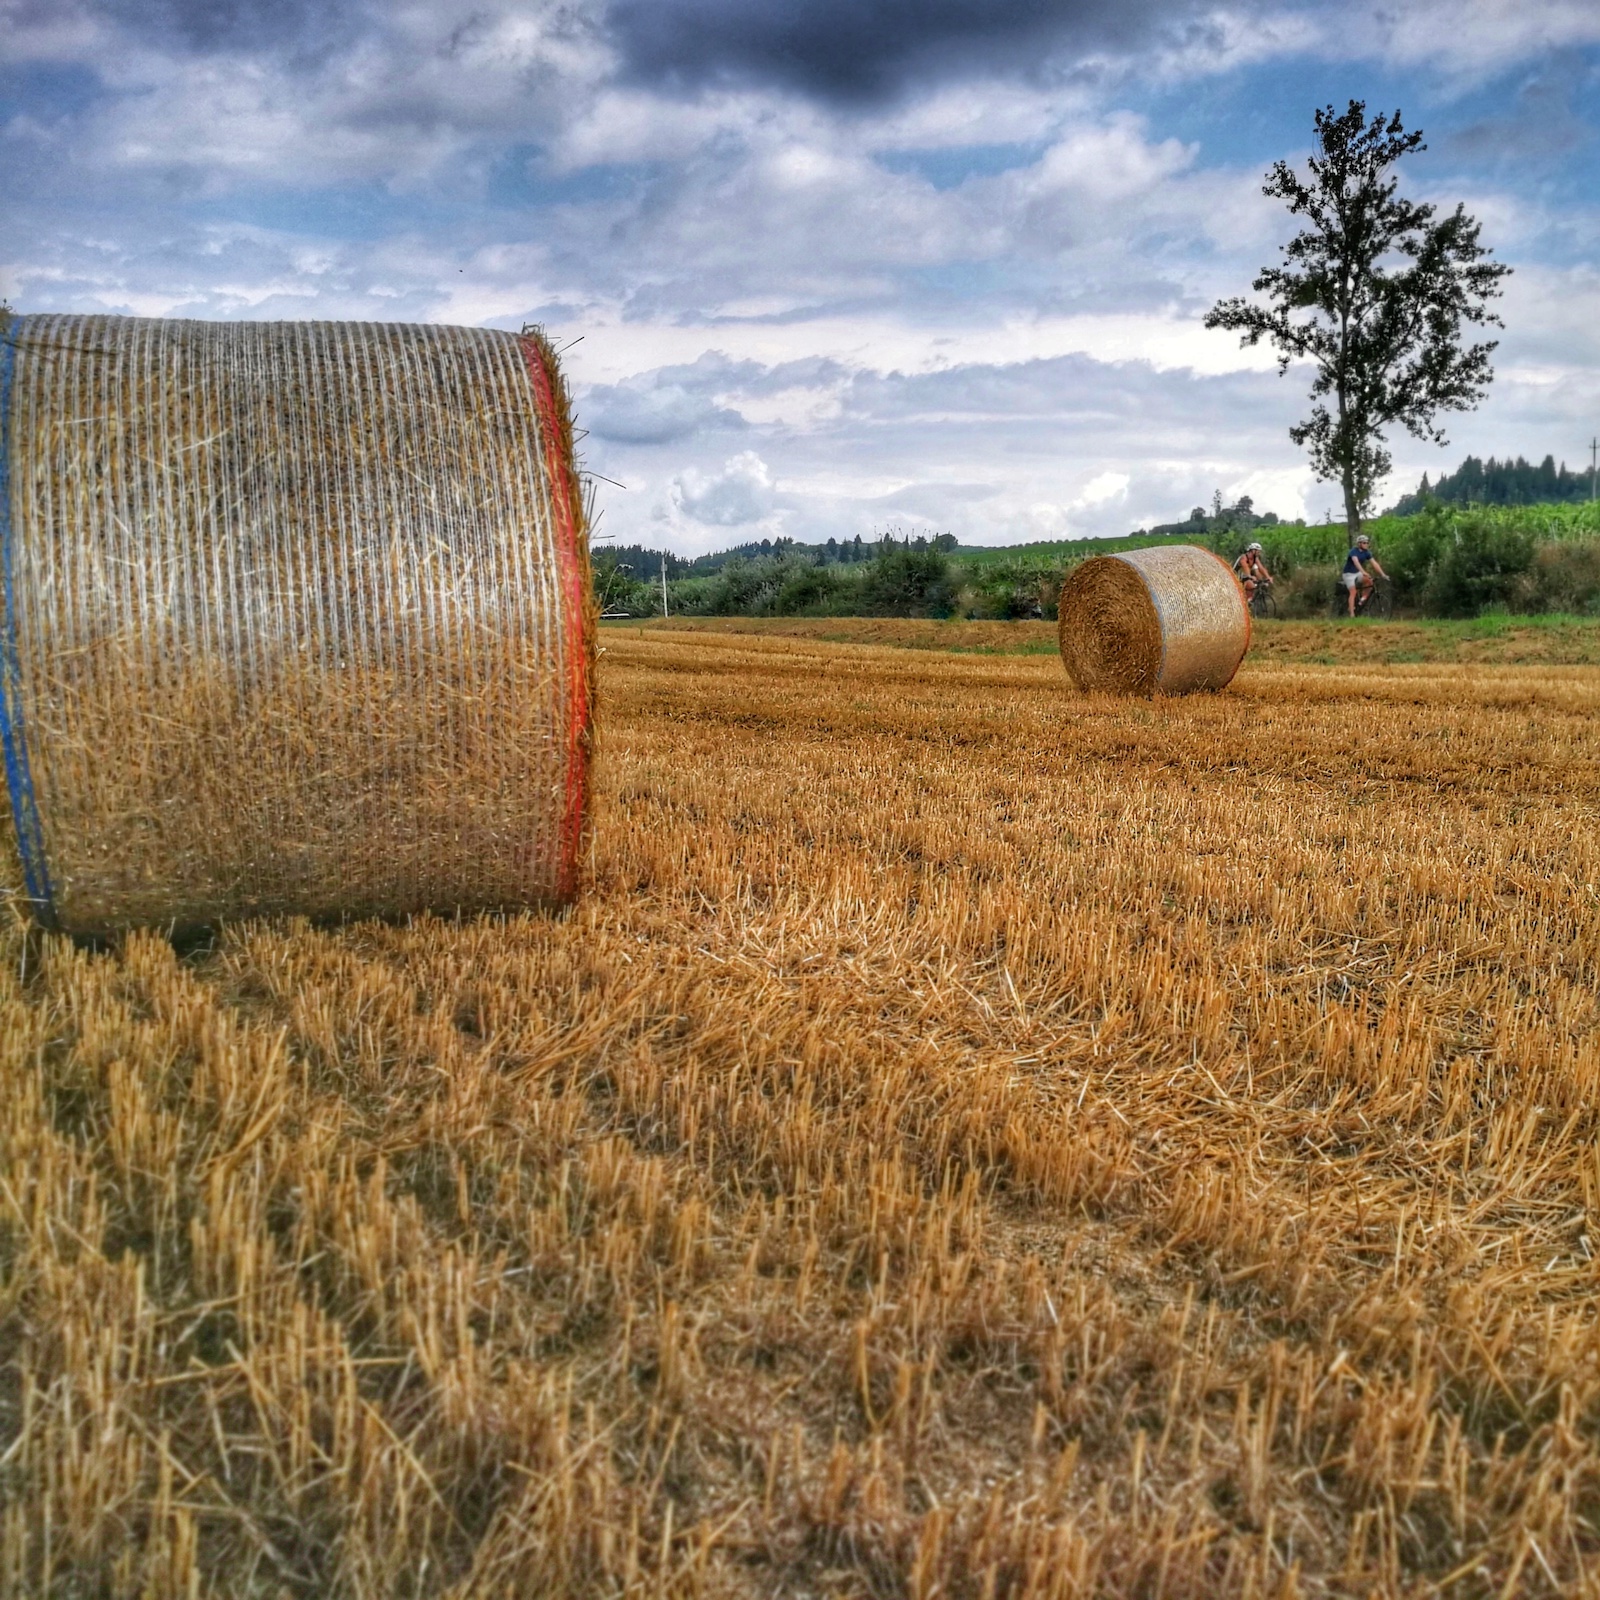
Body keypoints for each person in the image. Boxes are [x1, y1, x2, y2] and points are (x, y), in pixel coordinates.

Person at [1341, 532, 1389, 616]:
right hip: (1348, 574)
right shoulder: (1353, 551)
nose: (1366, 544)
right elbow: (1356, 562)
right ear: (1359, 544)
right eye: (1364, 543)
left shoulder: (1366, 552)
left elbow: (1374, 563)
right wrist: (1363, 572)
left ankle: (1362, 600)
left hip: (1357, 573)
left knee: (1370, 582)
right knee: (1353, 592)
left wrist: (1383, 574)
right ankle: (1352, 614)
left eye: (1367, 542)